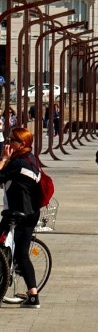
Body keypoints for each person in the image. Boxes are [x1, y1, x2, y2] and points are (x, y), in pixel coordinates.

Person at [0, 126, 43, 307]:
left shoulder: (18, 164)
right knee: (21, 254)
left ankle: (4, 278)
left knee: (17, 253)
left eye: (12, 140)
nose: (8, 143)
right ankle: (33, 296)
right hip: (31, 212)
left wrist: (3, 159)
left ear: (22, 143)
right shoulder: (31, 159)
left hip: (18, 213)